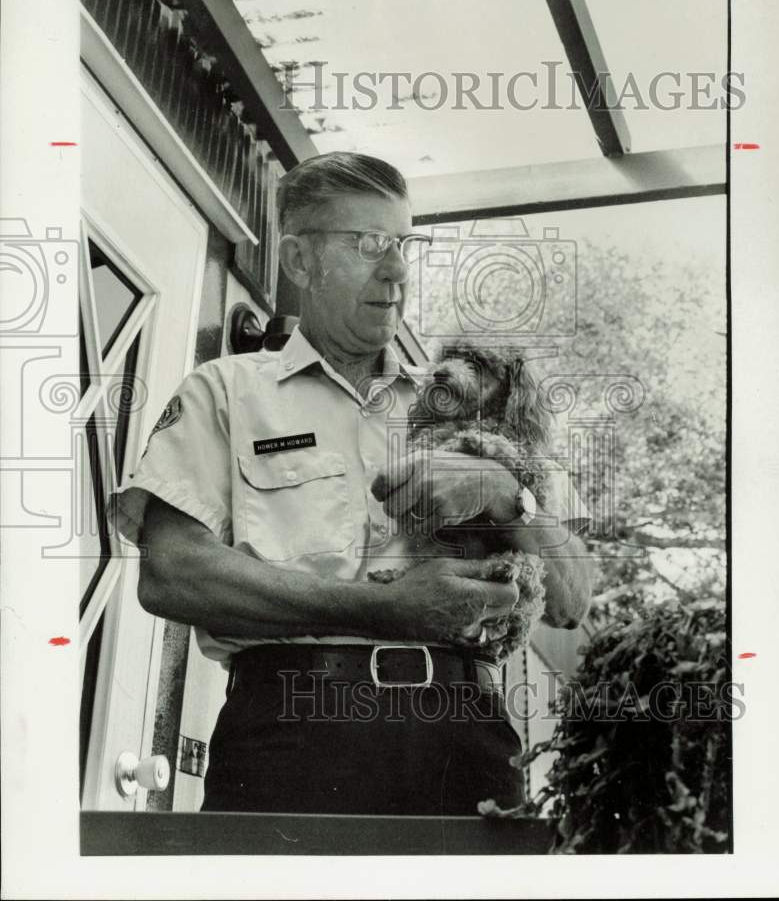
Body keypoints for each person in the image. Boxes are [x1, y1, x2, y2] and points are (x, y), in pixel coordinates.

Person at [111, 151, 593, 815]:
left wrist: (503, 494)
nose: (397, 272)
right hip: (289, 729)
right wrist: (380, 609)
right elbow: (172, 573)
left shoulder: (465, 403)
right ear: (299, 261)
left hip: (464, 730)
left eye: (404, 246)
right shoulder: (225, 391)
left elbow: (573, 598)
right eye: (369, 246)